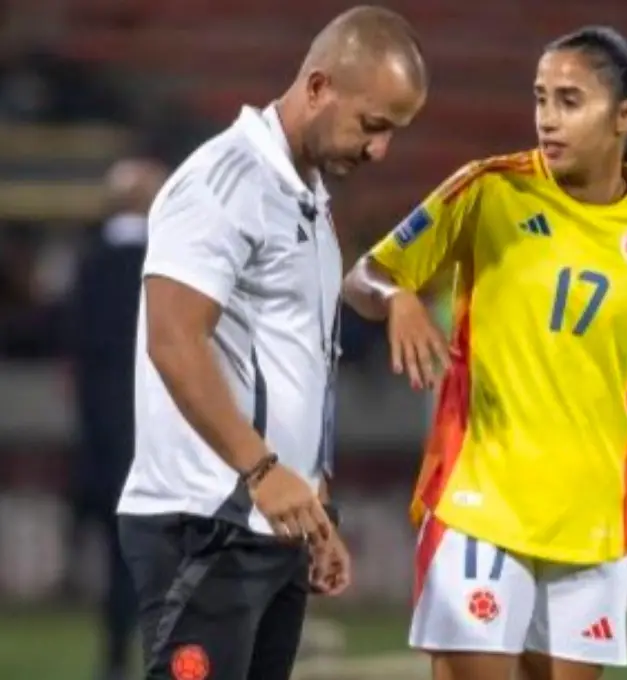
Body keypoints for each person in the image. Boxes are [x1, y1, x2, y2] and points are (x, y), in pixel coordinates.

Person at [343, 25, 627, 680]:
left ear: (626, 115)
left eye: (568, 101)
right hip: (479, 506)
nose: (547, 120)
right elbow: (365, 276)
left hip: (591, 527)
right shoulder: (488, 191)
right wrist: (400, 299)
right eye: (540, 99)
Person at [115, 7, 428, 680]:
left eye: (393, 133)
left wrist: (311, 507)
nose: (380, 151)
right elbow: (173, 340)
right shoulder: (223, 183)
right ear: (318, 87)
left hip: (268, 522)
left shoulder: (306, 198)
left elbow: (293, 367)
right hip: (208, 524)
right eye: (373, 125)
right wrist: (261, 471)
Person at [69, 157, 168, 680]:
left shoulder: (88, 263)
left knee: (119, 554)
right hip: (164, 429)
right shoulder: (168, 258)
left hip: (103, 435)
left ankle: (114, 657)